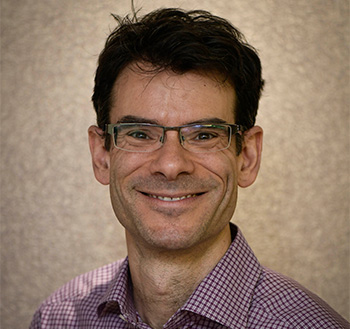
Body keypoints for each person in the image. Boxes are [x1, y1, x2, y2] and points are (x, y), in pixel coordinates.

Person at [30, 7, 349, 329]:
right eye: (140, 134)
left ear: (247, 157)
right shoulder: (59, 318)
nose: (171, 165)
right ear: (101, 155)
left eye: (205, 135)